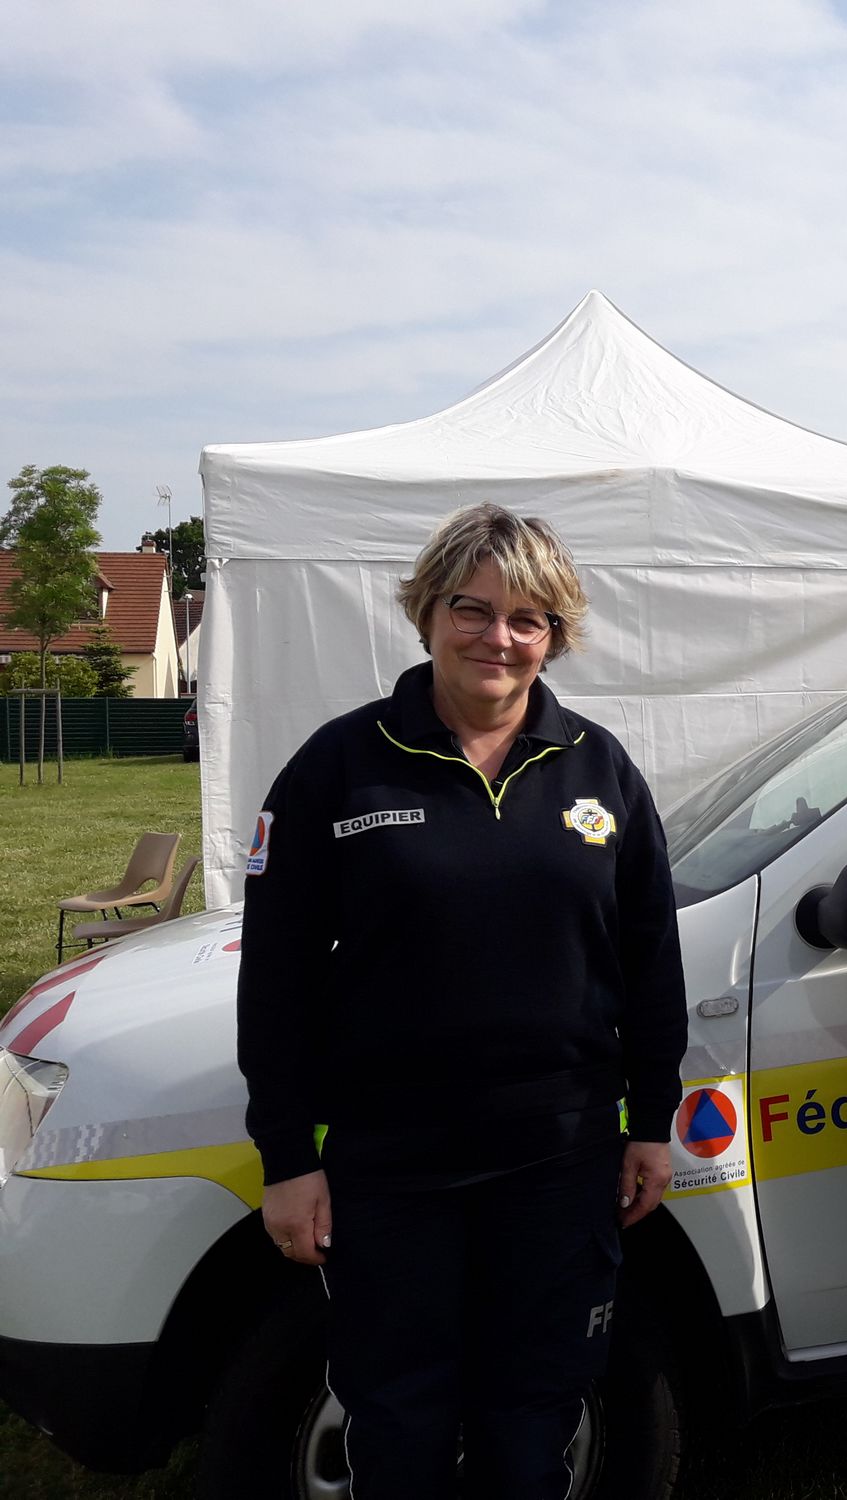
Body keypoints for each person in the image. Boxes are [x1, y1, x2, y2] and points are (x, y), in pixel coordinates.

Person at [237, 503, 687, 1499]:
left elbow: (650, 957)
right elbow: (276, 974)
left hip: (558, 1164)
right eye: (471, 609)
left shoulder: (601, 769)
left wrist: (649, 1120)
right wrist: (286, 1157)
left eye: (527, 618)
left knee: (530, 1425)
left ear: (555, 634)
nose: (497, 637)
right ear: (427, 614)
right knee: (398, 1427)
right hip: (393, 1168)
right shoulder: (338, 766)